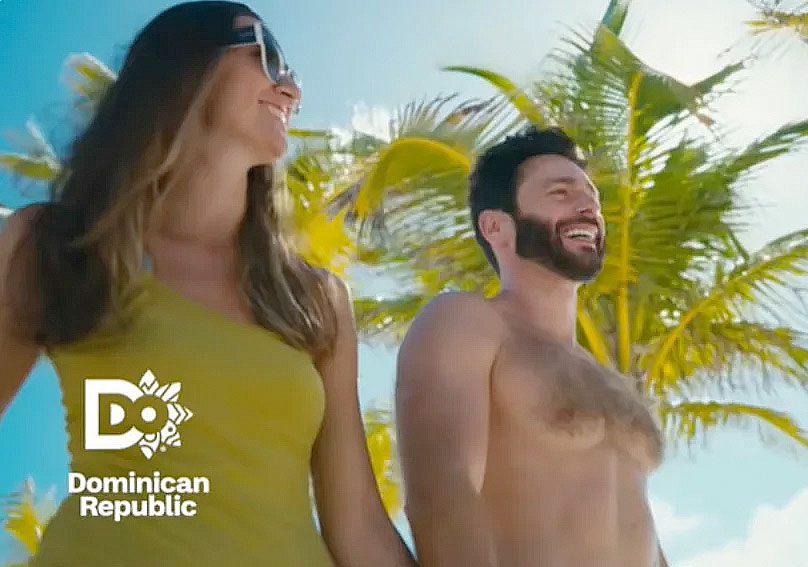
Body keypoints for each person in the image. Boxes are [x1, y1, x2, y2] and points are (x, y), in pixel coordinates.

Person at [0, 3, 414, 565]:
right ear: (183, 69)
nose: (291, 88)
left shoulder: (314, 298)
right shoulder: (56, 246)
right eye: (267, 55)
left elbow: (358, 525)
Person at [396, 126, 670, 566]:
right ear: (496, 226)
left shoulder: (606, 379)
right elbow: (442, 495)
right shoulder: (468, 323)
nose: (589, 207)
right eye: (560, 193)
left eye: (593, 197)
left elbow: (639, 528)